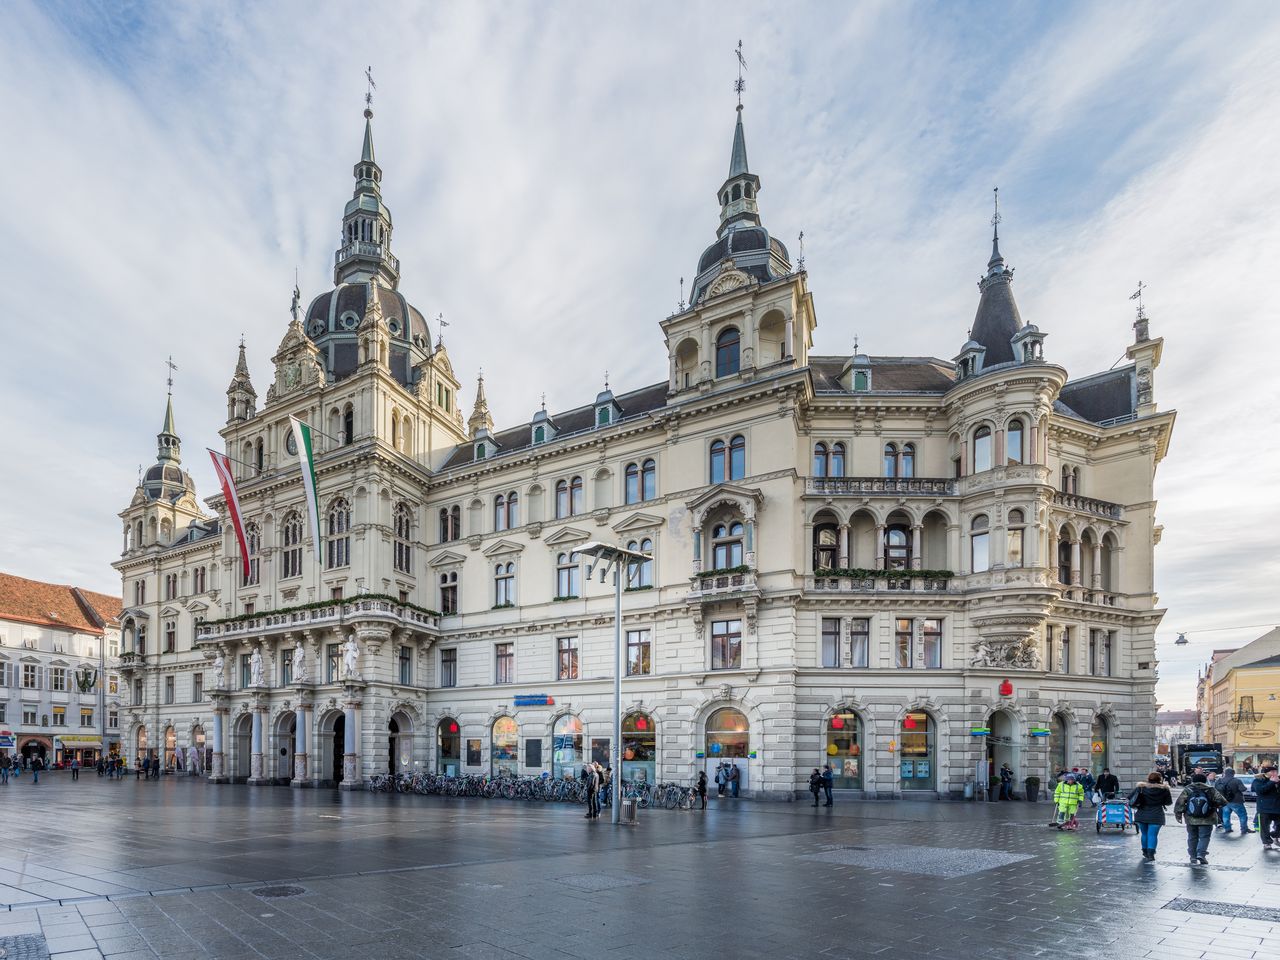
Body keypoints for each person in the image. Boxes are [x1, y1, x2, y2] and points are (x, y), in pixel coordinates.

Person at [1174, 773, 1227, 865]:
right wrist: (1213, 806)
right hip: (1207, 818)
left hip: (1190, 818)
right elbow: (1222, 801)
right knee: (1204, 837)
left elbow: (1180, 803)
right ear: (1204, 780)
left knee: (1192, 837)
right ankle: (1201, 854)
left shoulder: (1188, 789)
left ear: (1193, 780)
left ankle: (1192, 856)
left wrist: (1178, 815)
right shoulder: (1210, 789)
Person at [1129, 772, 1173, 861]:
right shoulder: (1164, 789)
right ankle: (1151, 853)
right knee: (1153, 835)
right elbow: (1168, 802)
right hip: (1156, 815)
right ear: (1159, 779)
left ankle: (1145, 851)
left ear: (1148, 778)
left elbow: (1130, 797)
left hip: (1142, 813)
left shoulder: (1141, 788)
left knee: (1144, 834)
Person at [1252, 764, 1280, 850]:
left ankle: (1275, 835)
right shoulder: (1258, 780)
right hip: (1264, 808)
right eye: (1272, 772)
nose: (1275, 773)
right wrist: (1271, 782)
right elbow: (1260, 791)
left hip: (1277, 807)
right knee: (1264, 827)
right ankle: (1267, 842)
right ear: (1266, 773)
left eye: (1276, 771)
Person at [1217, 768, 1251, 834]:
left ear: (1224, 773)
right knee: (1242, 815)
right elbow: (1242, 789)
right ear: (1233, 773)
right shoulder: (1237, 781)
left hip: (1224, 801)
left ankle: (1227, 828)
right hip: (1236, 800)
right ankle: (1244, 829)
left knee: (1225, 815)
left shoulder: (1219, 780)